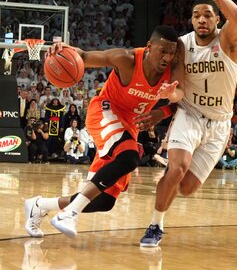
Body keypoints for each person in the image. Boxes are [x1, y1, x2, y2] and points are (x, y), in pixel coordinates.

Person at [24, 25, 185, 238]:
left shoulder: (171, 72)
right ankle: (69, 214)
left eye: (171, 52)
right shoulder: (126, 59)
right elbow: (83, 56)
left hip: (129, 126)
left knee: (103, 201)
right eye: (162, 50)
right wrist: (62, 49)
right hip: (104, 111)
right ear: (148, 47)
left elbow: (179, 99)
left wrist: (161, 111)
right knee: (129, 158)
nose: (167, 57)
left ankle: (39, 205)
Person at [140, 0, 237, 247]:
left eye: (207, 15)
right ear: (191, 20)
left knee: (185, 188)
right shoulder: (183, 46)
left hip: (220, 124)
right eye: (196, 15)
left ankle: (169, 180)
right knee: (178, 168)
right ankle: (155, 225)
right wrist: (170, 94)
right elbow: (179, 89)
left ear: (216, 20)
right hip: (190, 114)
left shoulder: (227, 42)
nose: (201, 19)